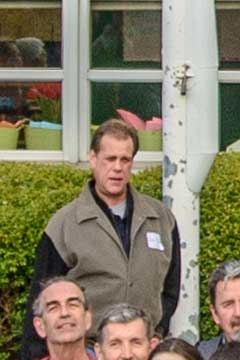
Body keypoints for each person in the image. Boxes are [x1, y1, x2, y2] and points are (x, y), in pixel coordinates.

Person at [37, 118, 188, 332]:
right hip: (88, 350)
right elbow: (43, 296)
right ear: (93, 158)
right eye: (110, 159)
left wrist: (157, 329)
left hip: (145, 347)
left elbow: (170, 290)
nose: (117, 168)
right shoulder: (64, 225)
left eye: (125, 160)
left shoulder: (161, 219)